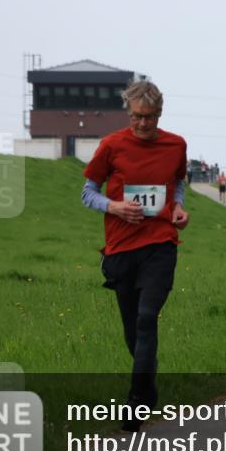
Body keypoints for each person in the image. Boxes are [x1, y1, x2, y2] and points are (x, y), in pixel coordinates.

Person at [81, 81, 189, 432]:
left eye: (150, 117)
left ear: (160, 113)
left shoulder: (176, 145)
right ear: (128, 112)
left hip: (160, 245)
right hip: (121, 248)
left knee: (146, 320)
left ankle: (135, 405)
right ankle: (149, 382)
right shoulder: (112, 146)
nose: (143, 124)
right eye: (137, 117)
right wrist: (113, 206)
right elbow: (87, 193)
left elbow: (178, 184)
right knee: (133, 330)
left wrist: (178, 209)